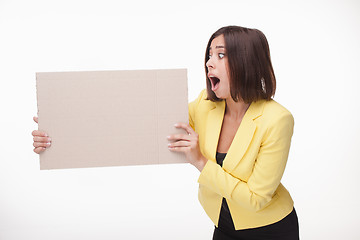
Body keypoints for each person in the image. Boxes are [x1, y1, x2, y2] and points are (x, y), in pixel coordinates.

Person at [32, 25, 299, 240]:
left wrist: (200, 161)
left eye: (220, 55)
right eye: (208, 55)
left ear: (246, 62)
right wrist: (59, 133)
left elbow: (255, 199)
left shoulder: (278, 120)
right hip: (223, 224)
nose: (208, 63)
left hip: (269, 229)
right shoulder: (205, 106)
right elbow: (140, 123)